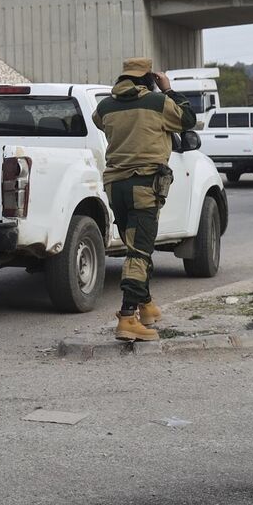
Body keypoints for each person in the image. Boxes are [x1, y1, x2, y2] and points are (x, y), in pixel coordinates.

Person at [91, 57, 196, 341]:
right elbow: (188, 119)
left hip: (115, 186)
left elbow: (99, 123)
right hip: (144, 185)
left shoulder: (104, 108)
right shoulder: (157, 103)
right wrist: (169, 90)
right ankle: (127, 318)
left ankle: (146, 306)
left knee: (135, 243)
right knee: (139, 251)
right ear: (148, 78)